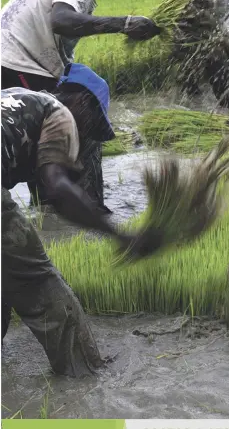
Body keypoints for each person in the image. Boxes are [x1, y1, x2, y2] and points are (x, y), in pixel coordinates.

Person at [1, 62, 160, 377]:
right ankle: (84, 375)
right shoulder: (58, 113)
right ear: (82, 103)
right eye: (92, 125)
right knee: (36, 278)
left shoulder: (15, 97)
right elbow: (57, 188)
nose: (86, 135)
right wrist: (121, 234)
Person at [1, 0, 160, 211]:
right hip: (15, 65)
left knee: (61, 118)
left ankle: (55, 205)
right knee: (66, 121)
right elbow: (62, 20)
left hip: (15, 62)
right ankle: (73, 208)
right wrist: (124, 23)